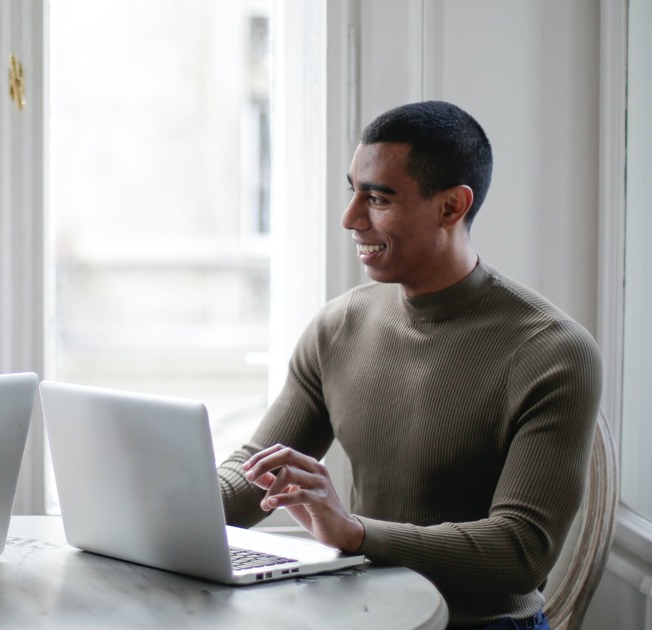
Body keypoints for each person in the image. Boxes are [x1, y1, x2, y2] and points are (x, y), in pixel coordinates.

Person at [216, 101, 600, 629]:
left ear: (451, 207)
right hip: (369, 613)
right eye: (352, 191)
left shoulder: (553, 350)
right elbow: (257, 468)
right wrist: (158, 505)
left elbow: (521, 551)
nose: (351, 218)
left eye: (377, 198)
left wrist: (356, 534)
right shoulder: (338, 326)